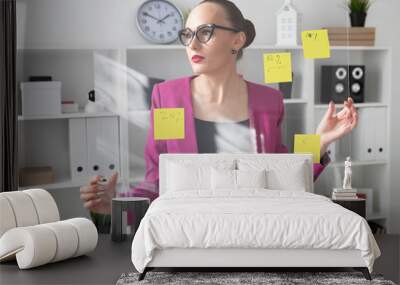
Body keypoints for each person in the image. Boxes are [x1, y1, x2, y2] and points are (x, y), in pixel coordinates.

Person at [80, 0, 358, 215]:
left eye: (205, 32)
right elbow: (158, 182)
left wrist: (320, 143)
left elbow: (283, 176)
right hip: (188, 231)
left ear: (237, 40)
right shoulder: (167, 96)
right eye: (187, 34)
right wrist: (118, 204)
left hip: (256, 226)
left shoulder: (269, 101)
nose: (192, 44)